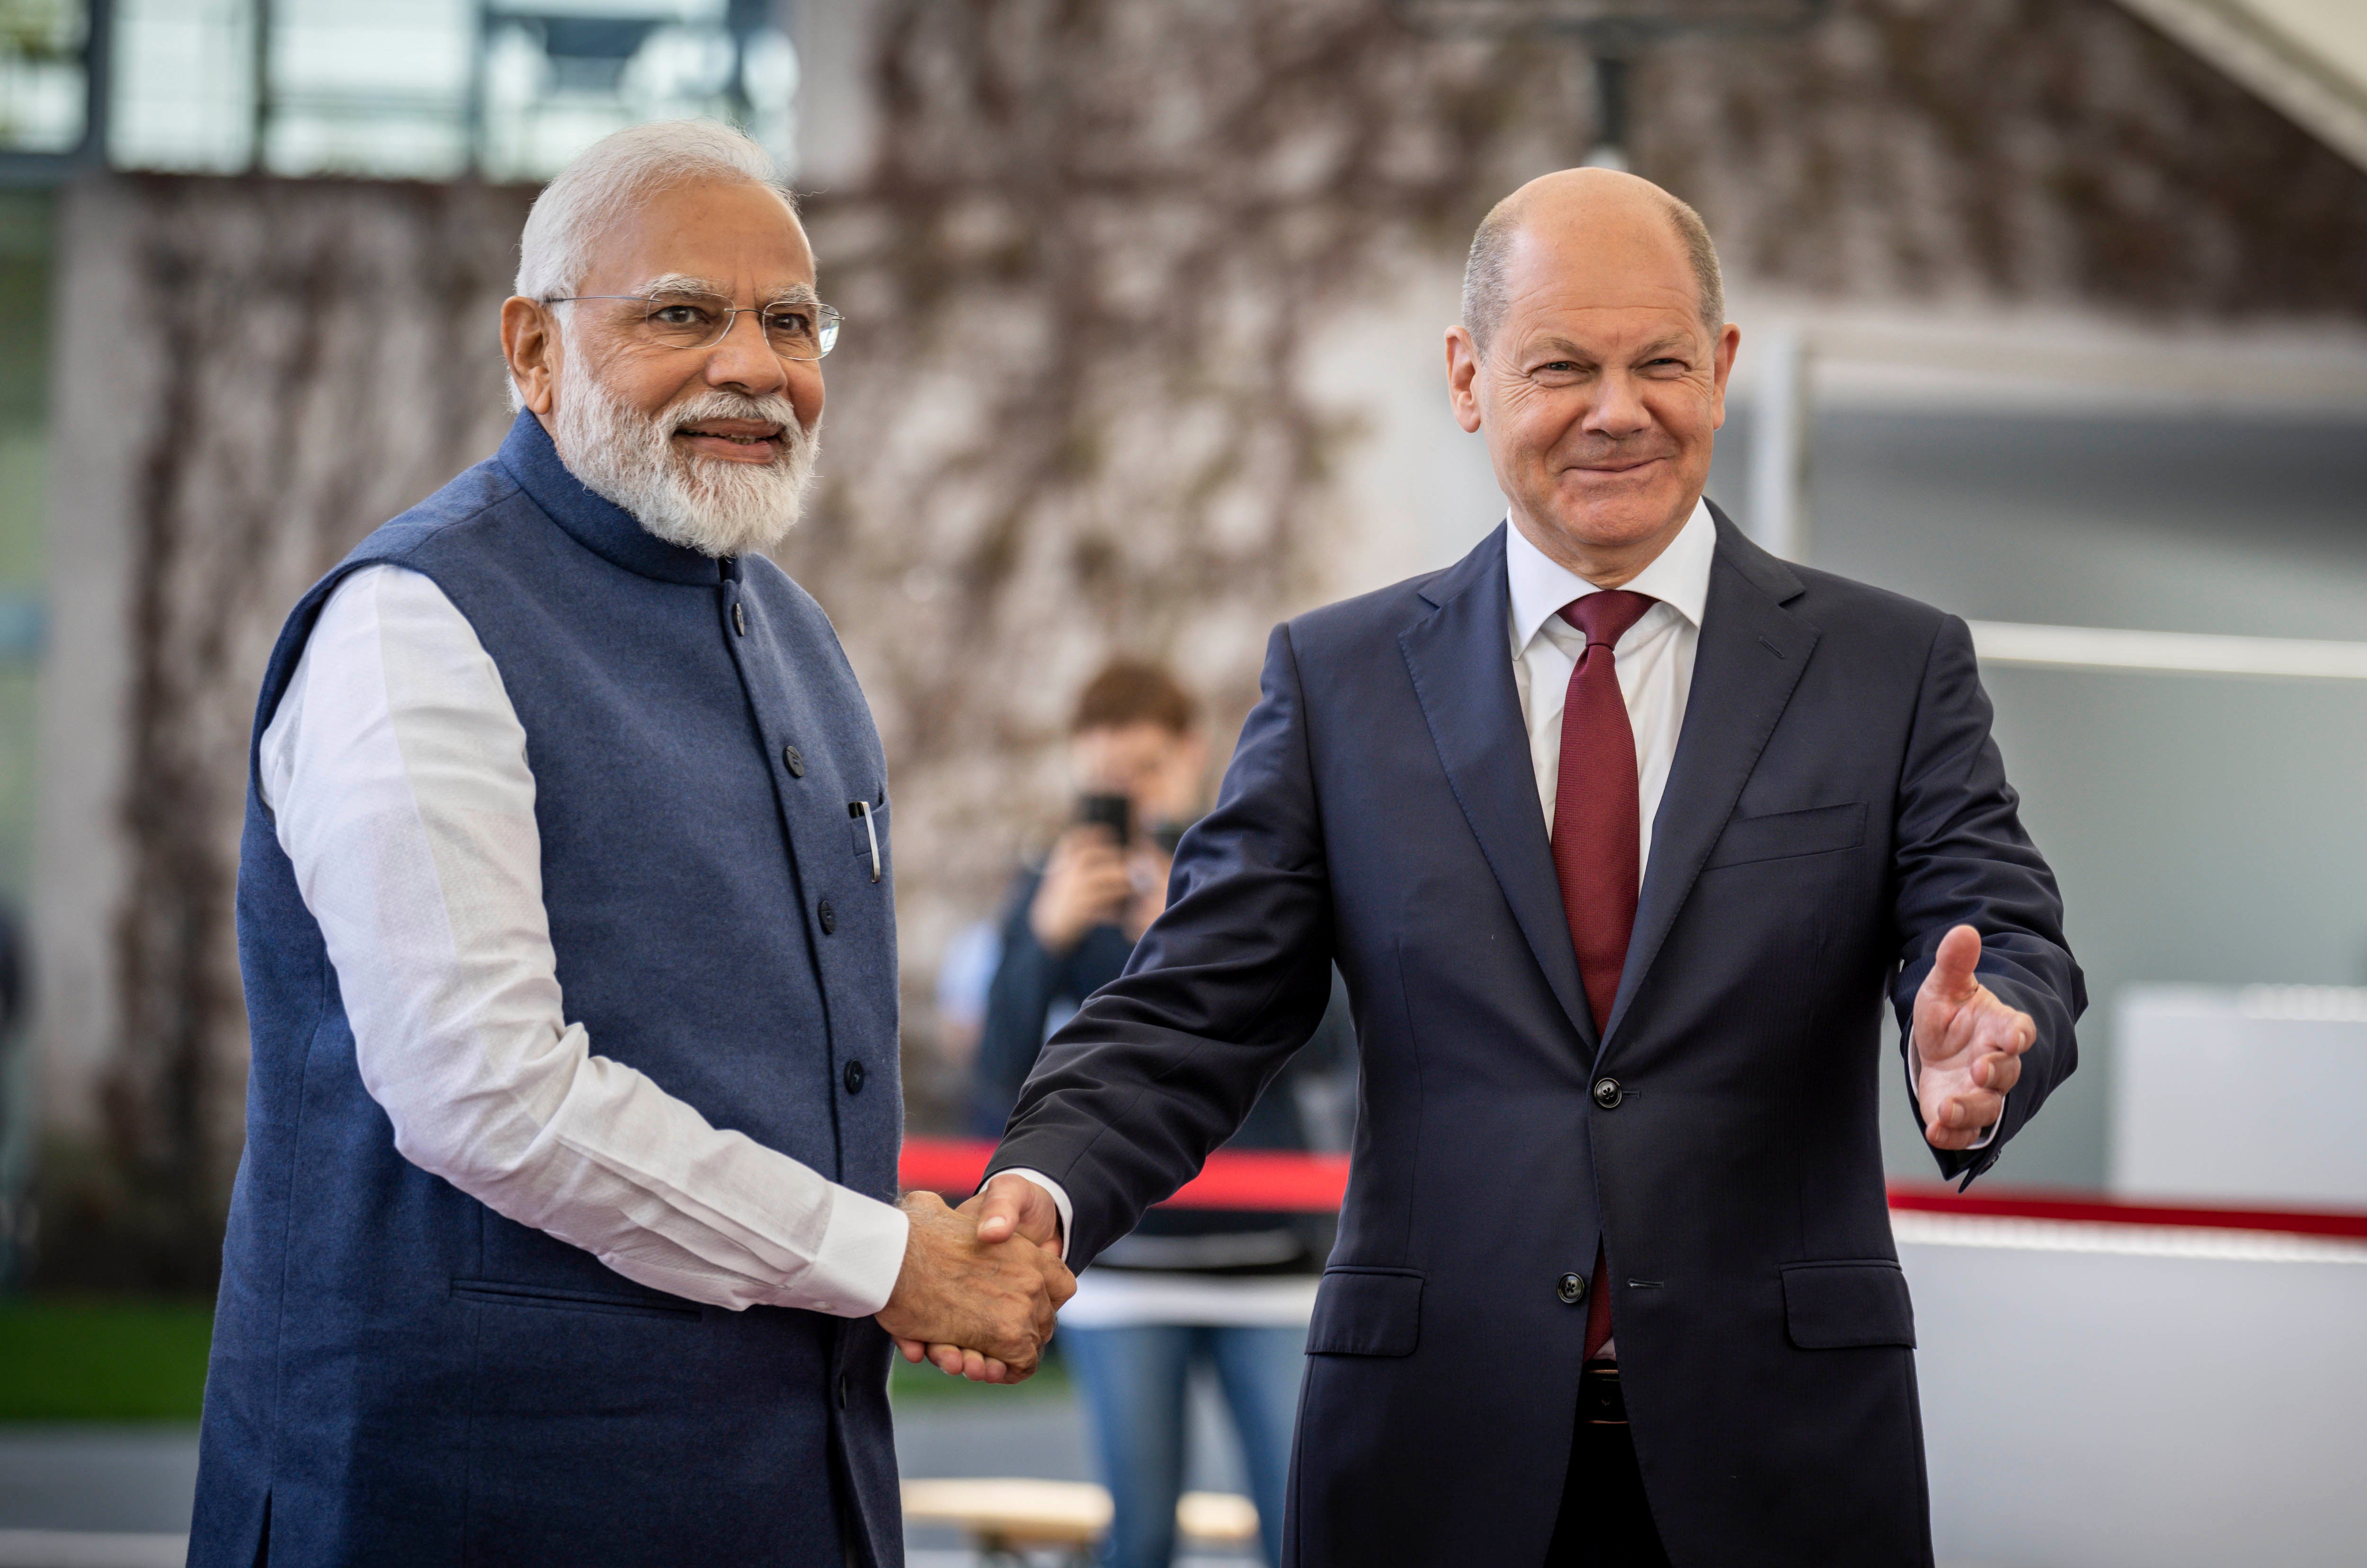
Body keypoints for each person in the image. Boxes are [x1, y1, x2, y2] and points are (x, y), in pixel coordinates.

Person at [961, 168, 2082, 1565]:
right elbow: (1193, 1006)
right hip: (1429, 1459)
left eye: (1660, 362)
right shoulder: (1340, 680)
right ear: (1468, 378)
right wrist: (1043, 1187)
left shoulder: (1890, 667)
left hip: (1783, 1461)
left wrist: (1987, 1039)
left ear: (1721, 369)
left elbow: (2002, 933)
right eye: (1562, 367)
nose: (1618, 410)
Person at [188, 121, 1070, 1568]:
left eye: (792, 322)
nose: (754, 367)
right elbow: (487, 1093)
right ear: (534, 350)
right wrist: (887, 1261)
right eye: (681, 314)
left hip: (783, 1500)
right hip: (462, 1507)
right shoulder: (412, 626)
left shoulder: (797, 635)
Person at [973, 661, 1352, 1568]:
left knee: (1301, 1527)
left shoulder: (1245, 876)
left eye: (1146, 772)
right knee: (1138, 1536)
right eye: (1107, 781)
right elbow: (995, 1071)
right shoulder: (1056, 889)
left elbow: (1335, 1045)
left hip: (1268, 1258)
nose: (1132, 798)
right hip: (1126, 1261)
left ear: (1191, 756)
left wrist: (1191, 941)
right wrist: (1042, 942)